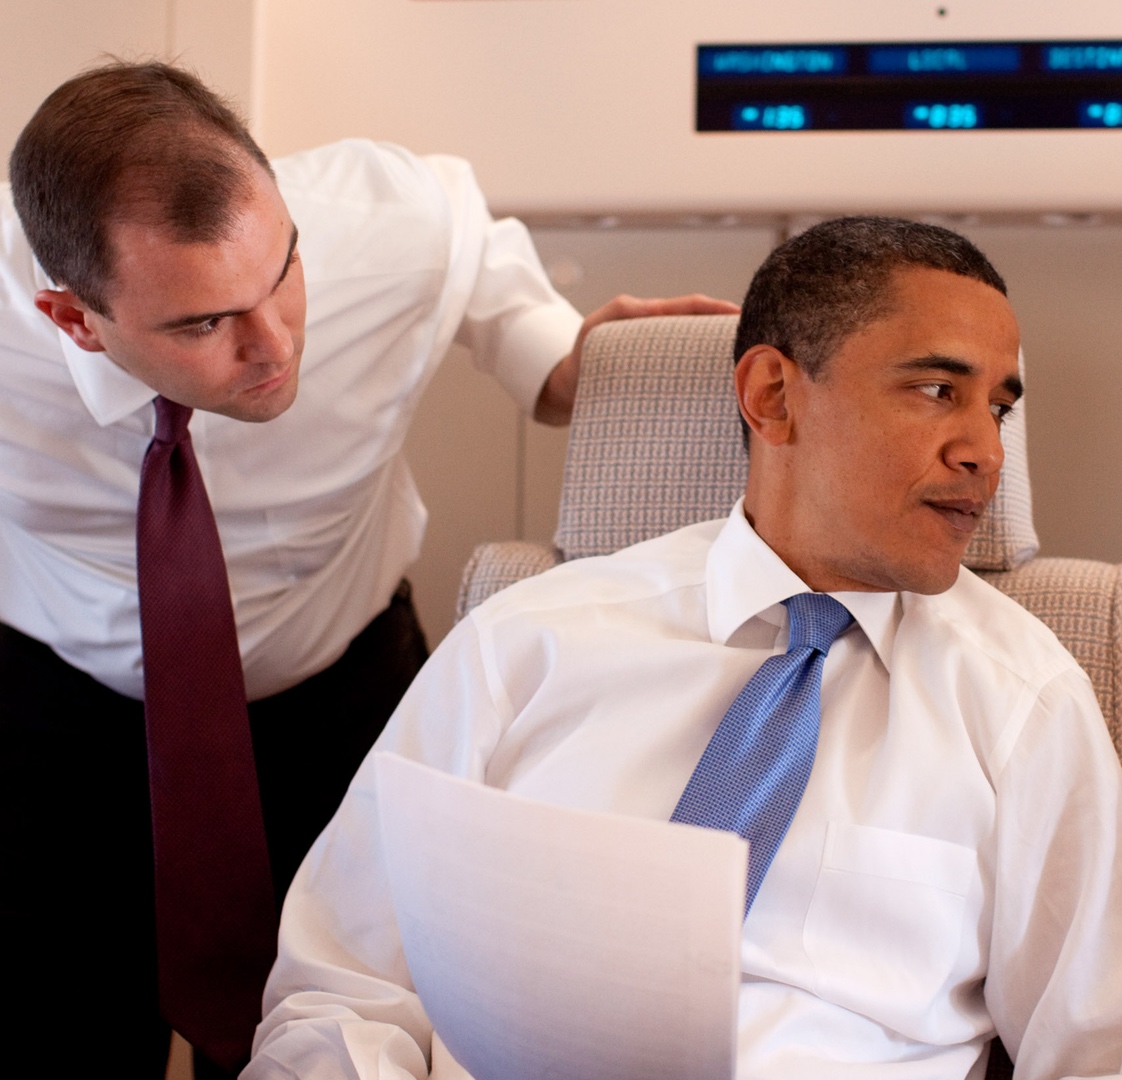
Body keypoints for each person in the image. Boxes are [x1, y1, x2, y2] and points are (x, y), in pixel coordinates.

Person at [247, 216, 1122, 1080]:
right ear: (773, 396)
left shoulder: (1023, 698)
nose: (983, 448)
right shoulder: (522, 644)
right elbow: (342, 990)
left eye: (998, 407)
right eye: (938, 389)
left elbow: (1110, 1053)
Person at [0, 61, 734, 1077]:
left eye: (283, 274)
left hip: (342, 689)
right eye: (203, 323)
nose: (275, 347)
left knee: (356, 1030)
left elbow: (531, 338)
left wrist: (578, 365)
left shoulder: (400, 221)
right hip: (60, 710)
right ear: (74, 320)